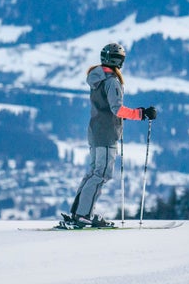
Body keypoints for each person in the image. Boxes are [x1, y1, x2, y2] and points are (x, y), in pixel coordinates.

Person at [62, 42, 157, 228]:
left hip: (96, 131)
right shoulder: (111, 81)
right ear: (118, 60)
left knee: (93, 173)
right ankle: (83, 215)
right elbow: (117, 109)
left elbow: (106, 109)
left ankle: (78, 212)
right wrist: (141, 114)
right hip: (105, 134)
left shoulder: (96, 78)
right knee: (101, 174)